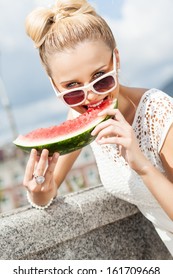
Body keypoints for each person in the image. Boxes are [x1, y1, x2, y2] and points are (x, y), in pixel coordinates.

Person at [23, 0, 173, 256]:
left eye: (100, 79)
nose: (90, 97)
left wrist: (143, 166)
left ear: (116, 59)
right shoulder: (78, 115)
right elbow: (49, 190)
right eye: (72, 88)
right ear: (54, 85)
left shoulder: (158, 112)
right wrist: (38, 192)